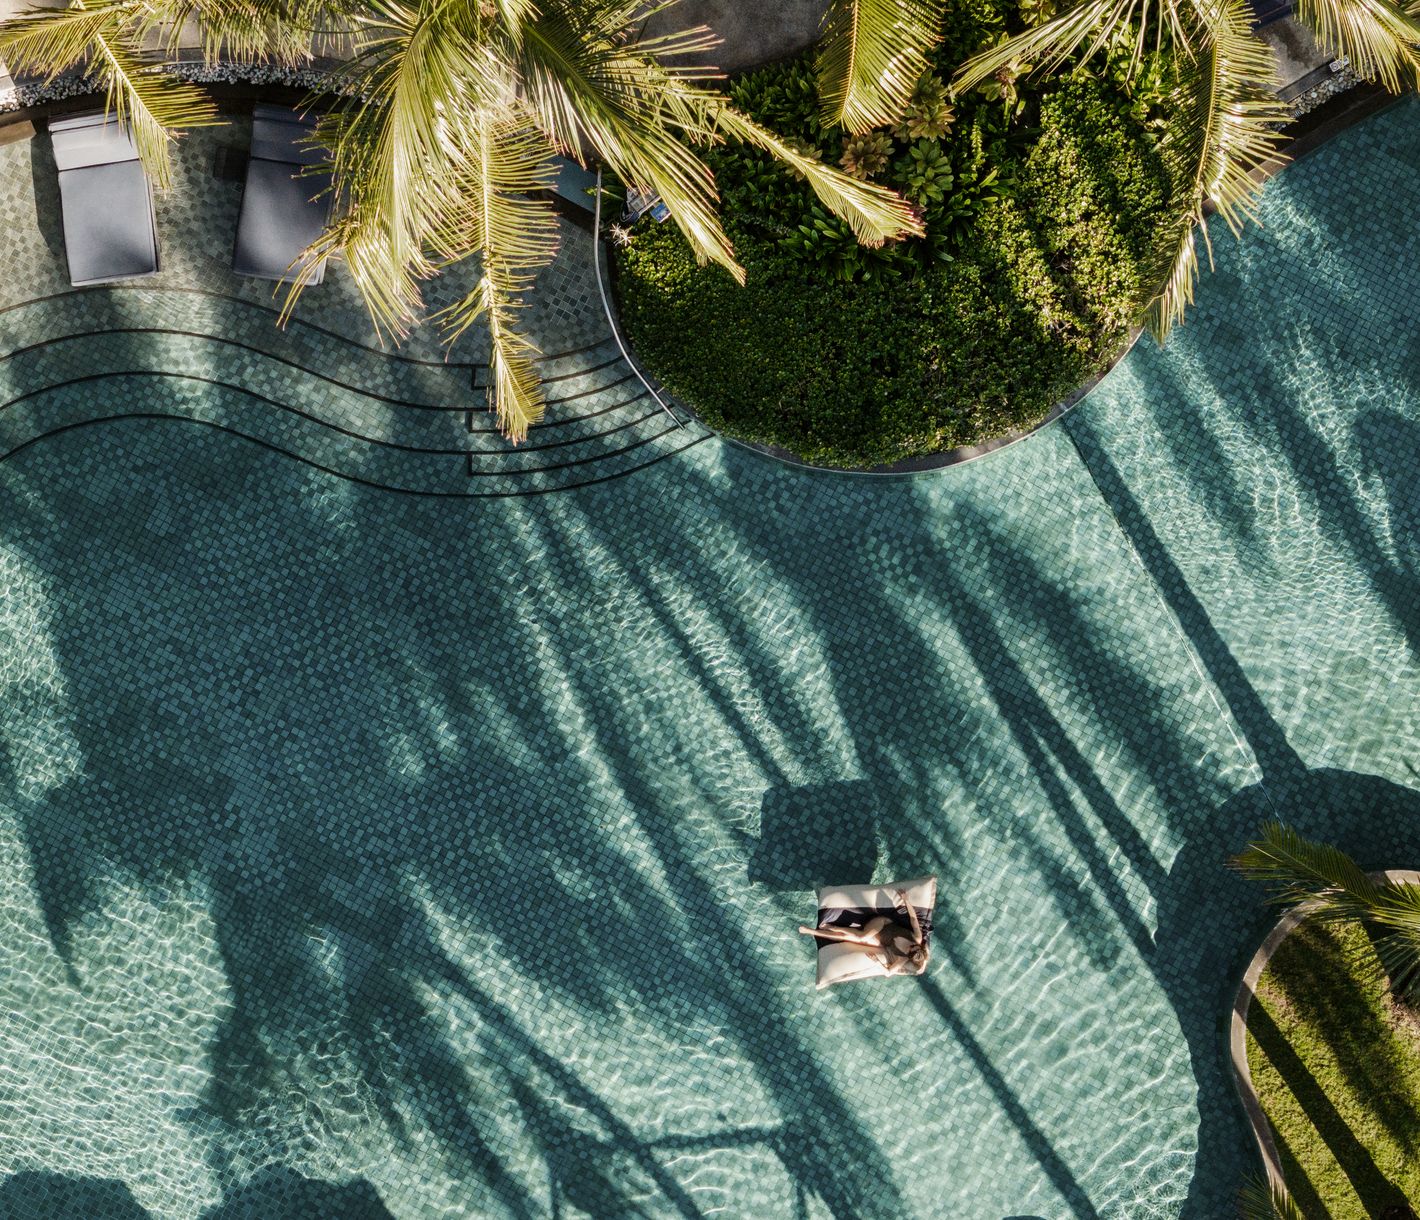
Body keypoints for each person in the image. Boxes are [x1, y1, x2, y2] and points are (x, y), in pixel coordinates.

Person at [799, 889, 928, 975]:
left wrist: (877, 961)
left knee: (851, 938)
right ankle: (834, 927)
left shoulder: (902, 959)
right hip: (882, 923)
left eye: (909, 950)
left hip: (879, 940)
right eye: (913, 945)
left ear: (909, 955)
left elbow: (888, 973)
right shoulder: (916, 937)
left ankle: (811, 931)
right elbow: (913, 918)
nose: (909, 946)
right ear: (918, 946)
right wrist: (906, 900)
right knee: (862, 937)